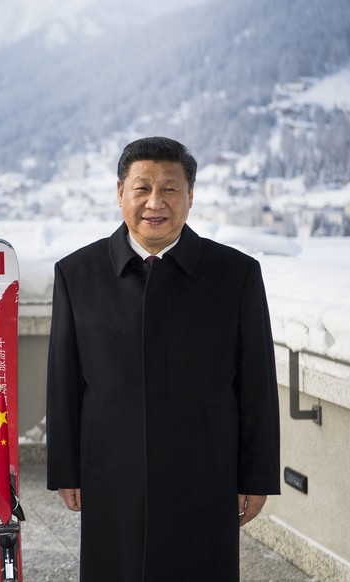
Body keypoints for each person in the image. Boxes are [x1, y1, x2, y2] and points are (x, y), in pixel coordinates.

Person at [46, 137, 280, 581]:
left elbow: (256, 385)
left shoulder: (236, 274)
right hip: (111, 468)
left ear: (190, 196)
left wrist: (256, 475)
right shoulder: (77, 274)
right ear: (120, 194)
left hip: (205, 469)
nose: (156, 202)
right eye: (142, 188)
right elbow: (64, 382)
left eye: (170, 189)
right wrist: (65, 468)